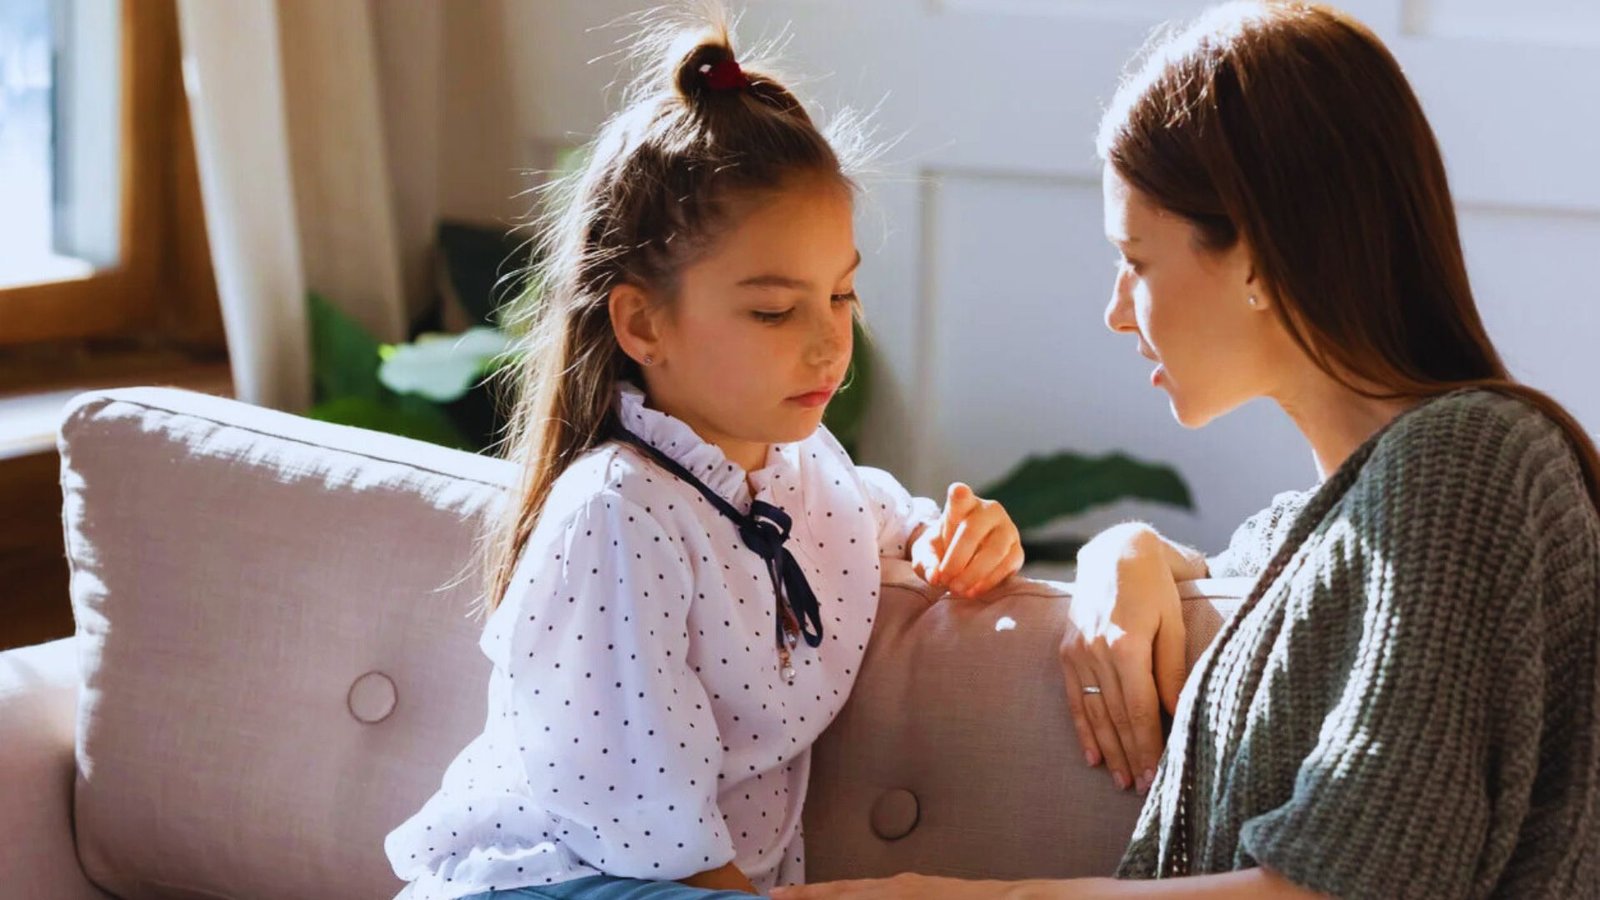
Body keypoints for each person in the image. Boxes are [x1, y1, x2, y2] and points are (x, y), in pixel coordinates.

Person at [774, 2, 1600, 898]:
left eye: (1138, 259)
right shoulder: (1339, 520)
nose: (1117, 310)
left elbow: (1344, 889)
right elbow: (1250, 578)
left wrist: (951, 897)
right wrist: (1124, 550)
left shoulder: (1471, 464)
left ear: (1256, 255)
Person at [381, 9, 1026, 900]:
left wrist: (961, 535)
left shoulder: (802, 470)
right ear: (644, 322)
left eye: (840, 294)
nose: (828, 344)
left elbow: (887, 517)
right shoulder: (618, 514)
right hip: (557, 885)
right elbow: (653, 830)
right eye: (773, 310)